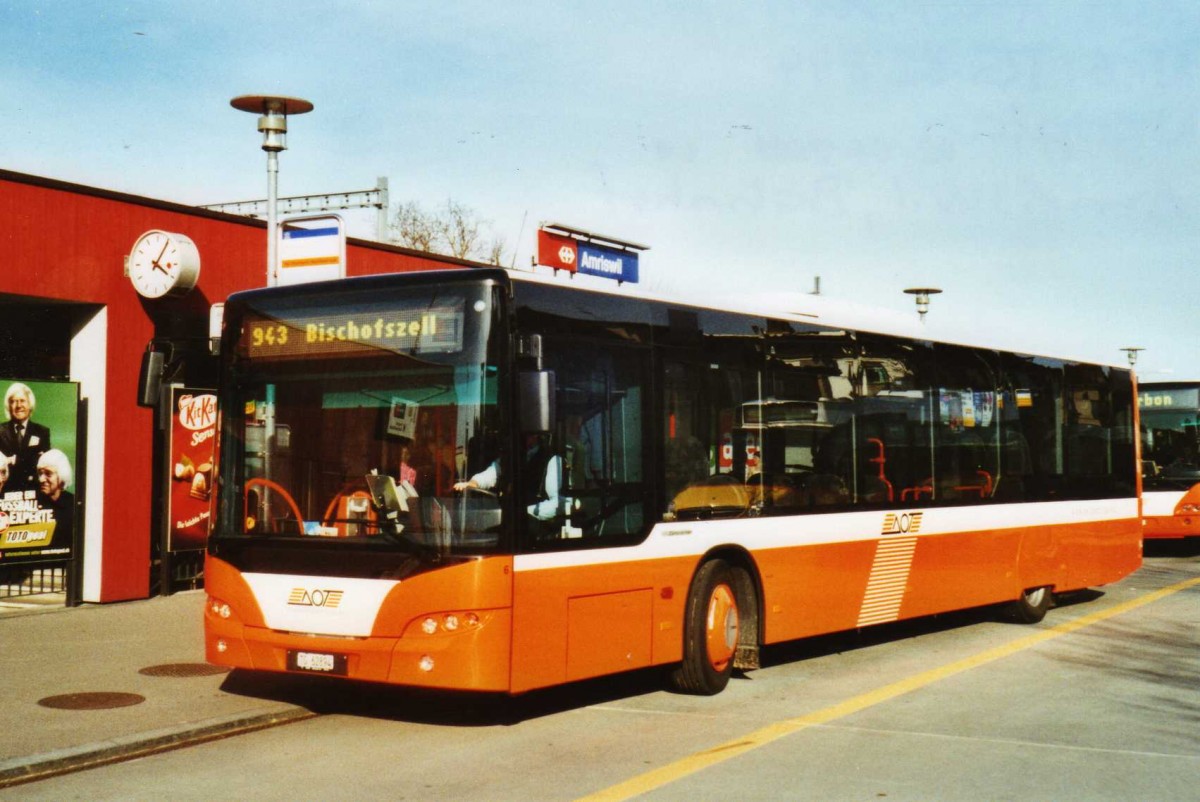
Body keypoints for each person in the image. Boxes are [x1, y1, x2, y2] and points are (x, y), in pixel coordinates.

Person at [0, 382, 52, 492]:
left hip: (32, 492)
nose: (18, 406)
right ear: (9, 406)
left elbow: (44, 463)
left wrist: (14, 460)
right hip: (5, 492)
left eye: (22, 401)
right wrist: (31, 457)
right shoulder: (0, 431)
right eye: (13, 401)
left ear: (30, 404)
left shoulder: (42, 432)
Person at [36, 448, 74, 549]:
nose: (41, 479)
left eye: (48, 473)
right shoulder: (33, 504)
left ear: (61, 475)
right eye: (40, 473)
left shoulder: (72, 505)